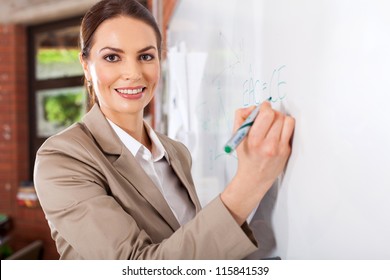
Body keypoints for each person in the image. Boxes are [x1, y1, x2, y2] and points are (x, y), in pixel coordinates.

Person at [34, 0, 295, 260]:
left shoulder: (176, 152)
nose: (133, 73)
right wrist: (249, 182)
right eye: (112, 57)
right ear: (85, 65)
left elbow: (196, 249)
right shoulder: (61, 159)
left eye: (146, 56)